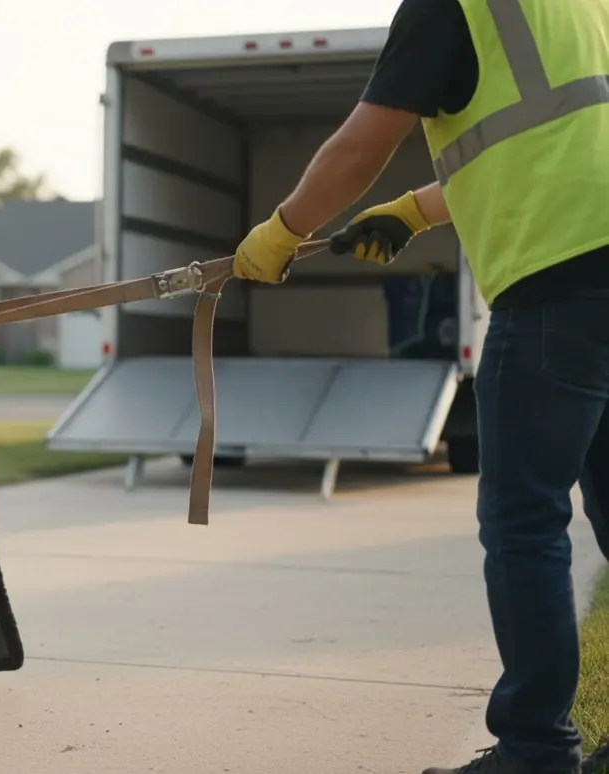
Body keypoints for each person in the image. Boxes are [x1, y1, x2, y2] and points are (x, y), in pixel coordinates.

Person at [232, 0, 609, 771]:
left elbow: (358, 148)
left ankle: (535, 749)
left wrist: (280, 231)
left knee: (523, 525)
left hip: (555, 279)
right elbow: (562, 136)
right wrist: (413, 211)